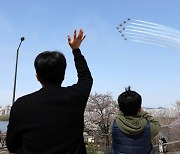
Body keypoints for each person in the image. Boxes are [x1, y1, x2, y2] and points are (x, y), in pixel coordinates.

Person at [6, 29, 93, 154]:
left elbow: (12, 145)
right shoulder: (75, 96)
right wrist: (76, 50)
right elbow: (86, 77)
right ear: (63, 75)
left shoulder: (21, 104)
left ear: (37, 76)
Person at [111, 86, 160, 154]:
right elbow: (156, 124)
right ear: (139, 107)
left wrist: (122, 110)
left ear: (120, 108)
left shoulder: (114, 126)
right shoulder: (149, 128)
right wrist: (142, 112)